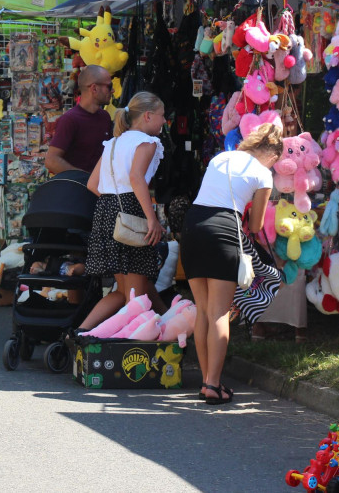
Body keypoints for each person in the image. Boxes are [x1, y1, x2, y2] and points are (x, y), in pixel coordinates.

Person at [180, 123, 284, 405]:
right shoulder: (263, 173)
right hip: (224, 231)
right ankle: (213, 384)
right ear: (271, 154)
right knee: (219, 313)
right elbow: (256, 224)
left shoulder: (220, 157)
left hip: (191, 228)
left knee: (203, 310)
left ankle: (207, 381)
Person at [78, 91, 167, 330]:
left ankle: (82, 331)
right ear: (148, 116)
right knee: (135, 297)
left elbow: (92, 185)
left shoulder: (114, 143)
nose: (164, 121)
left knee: (123, 290)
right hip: (132, 210)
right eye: (162, 115)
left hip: (106, 211)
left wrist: (114, 202)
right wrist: (151, 218)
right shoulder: (148, 143)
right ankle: (129, 342)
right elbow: (137, 179)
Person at [44, 65, 114, 175]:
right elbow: (51, 160)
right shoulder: (70, 119)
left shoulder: (105, 116)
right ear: (94, 88)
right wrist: (83, 179)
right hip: (76, 189)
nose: (113, 90)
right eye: (109, 86)